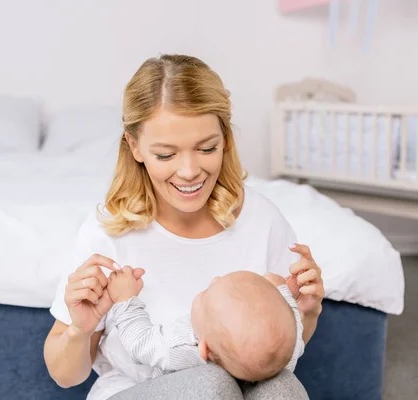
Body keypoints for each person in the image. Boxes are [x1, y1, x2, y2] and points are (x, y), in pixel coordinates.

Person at [43, 54, 325, 400]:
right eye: (166, 155)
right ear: (135, 147)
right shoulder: (108, 234)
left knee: (280, 387)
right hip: (137, 392)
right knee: (211, 385)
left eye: (207, 148)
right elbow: (65, 376)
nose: (190, 171)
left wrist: (307, 315)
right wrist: (79, 331)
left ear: (225, 139)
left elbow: (269, 352)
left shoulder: (263, 221)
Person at [106, 267, 304, 381]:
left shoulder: (185, 345)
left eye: (207, 292)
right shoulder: (282, 354)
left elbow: (140, 343)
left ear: (204, 348)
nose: (214, 279)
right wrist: (283, 293)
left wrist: (125, 298)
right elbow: (293, 329)